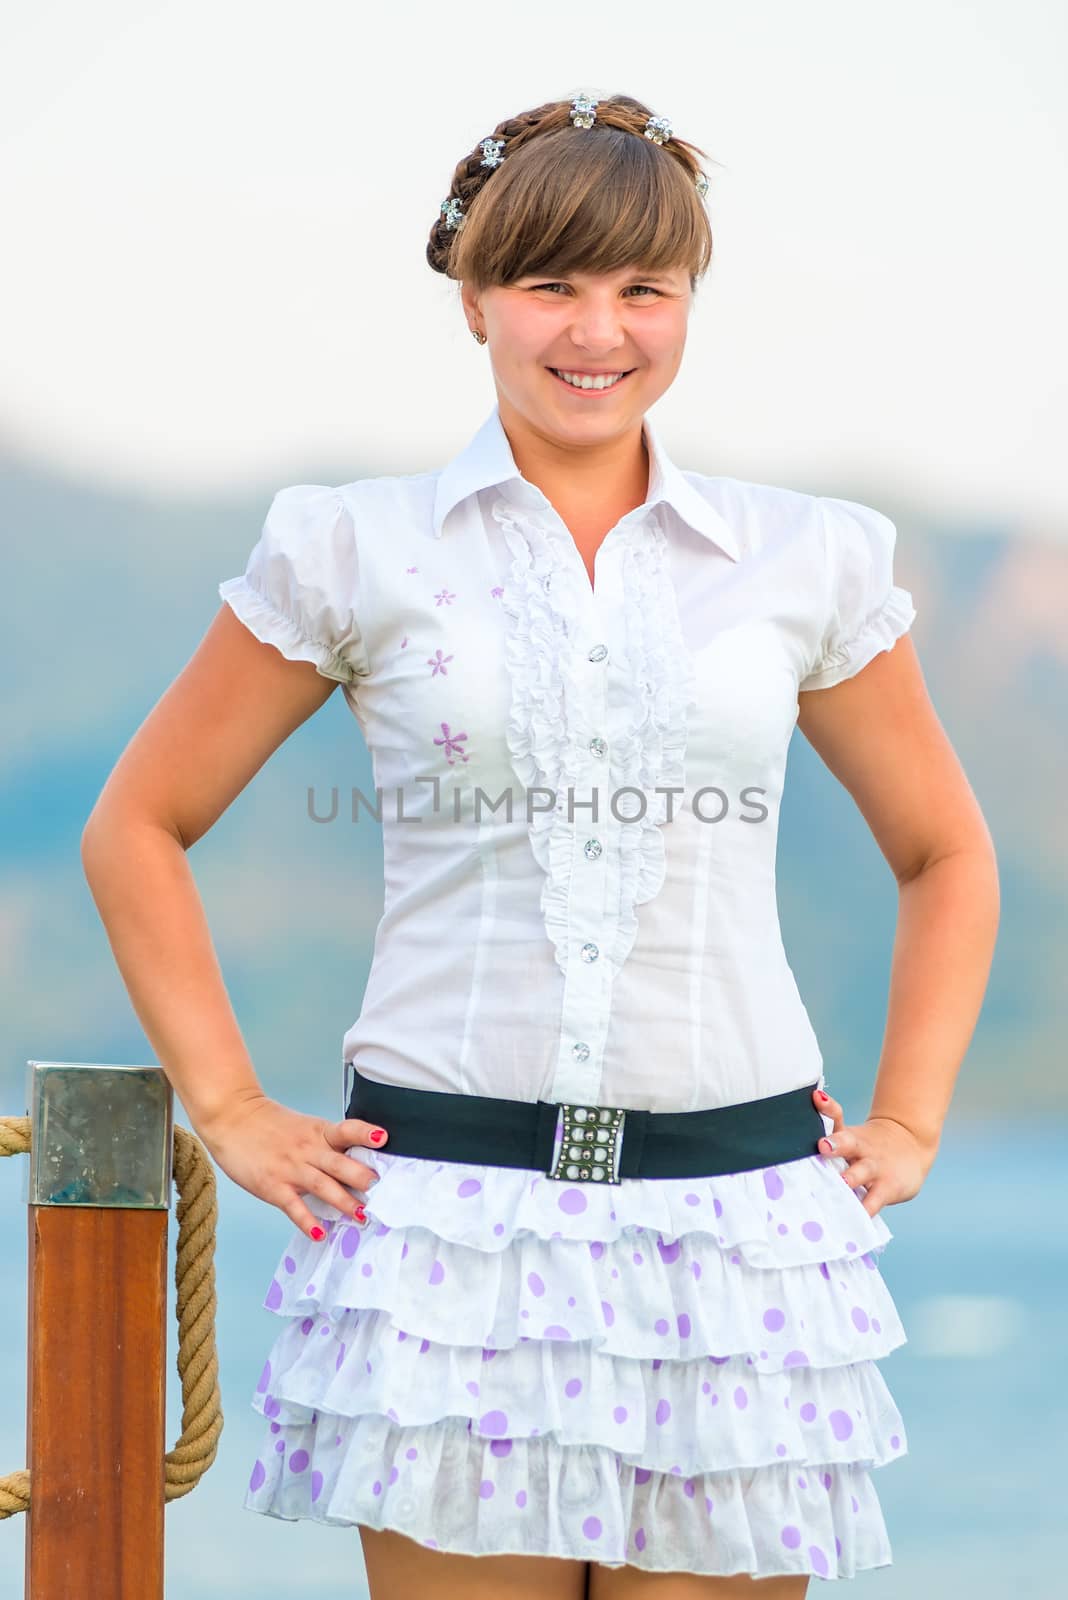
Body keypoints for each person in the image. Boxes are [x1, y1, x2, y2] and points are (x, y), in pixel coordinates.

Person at [80, 91, 999, 1599]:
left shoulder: (805, 556)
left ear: (690, 302)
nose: (598, 330)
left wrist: (908, 1120)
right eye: (550, 285)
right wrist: (230, 1105)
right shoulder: (354, 544)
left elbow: (946, 853)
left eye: (645, 288)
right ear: (474, 300)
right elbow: (140, 823)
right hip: (445, 1227)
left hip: (736, 1233)